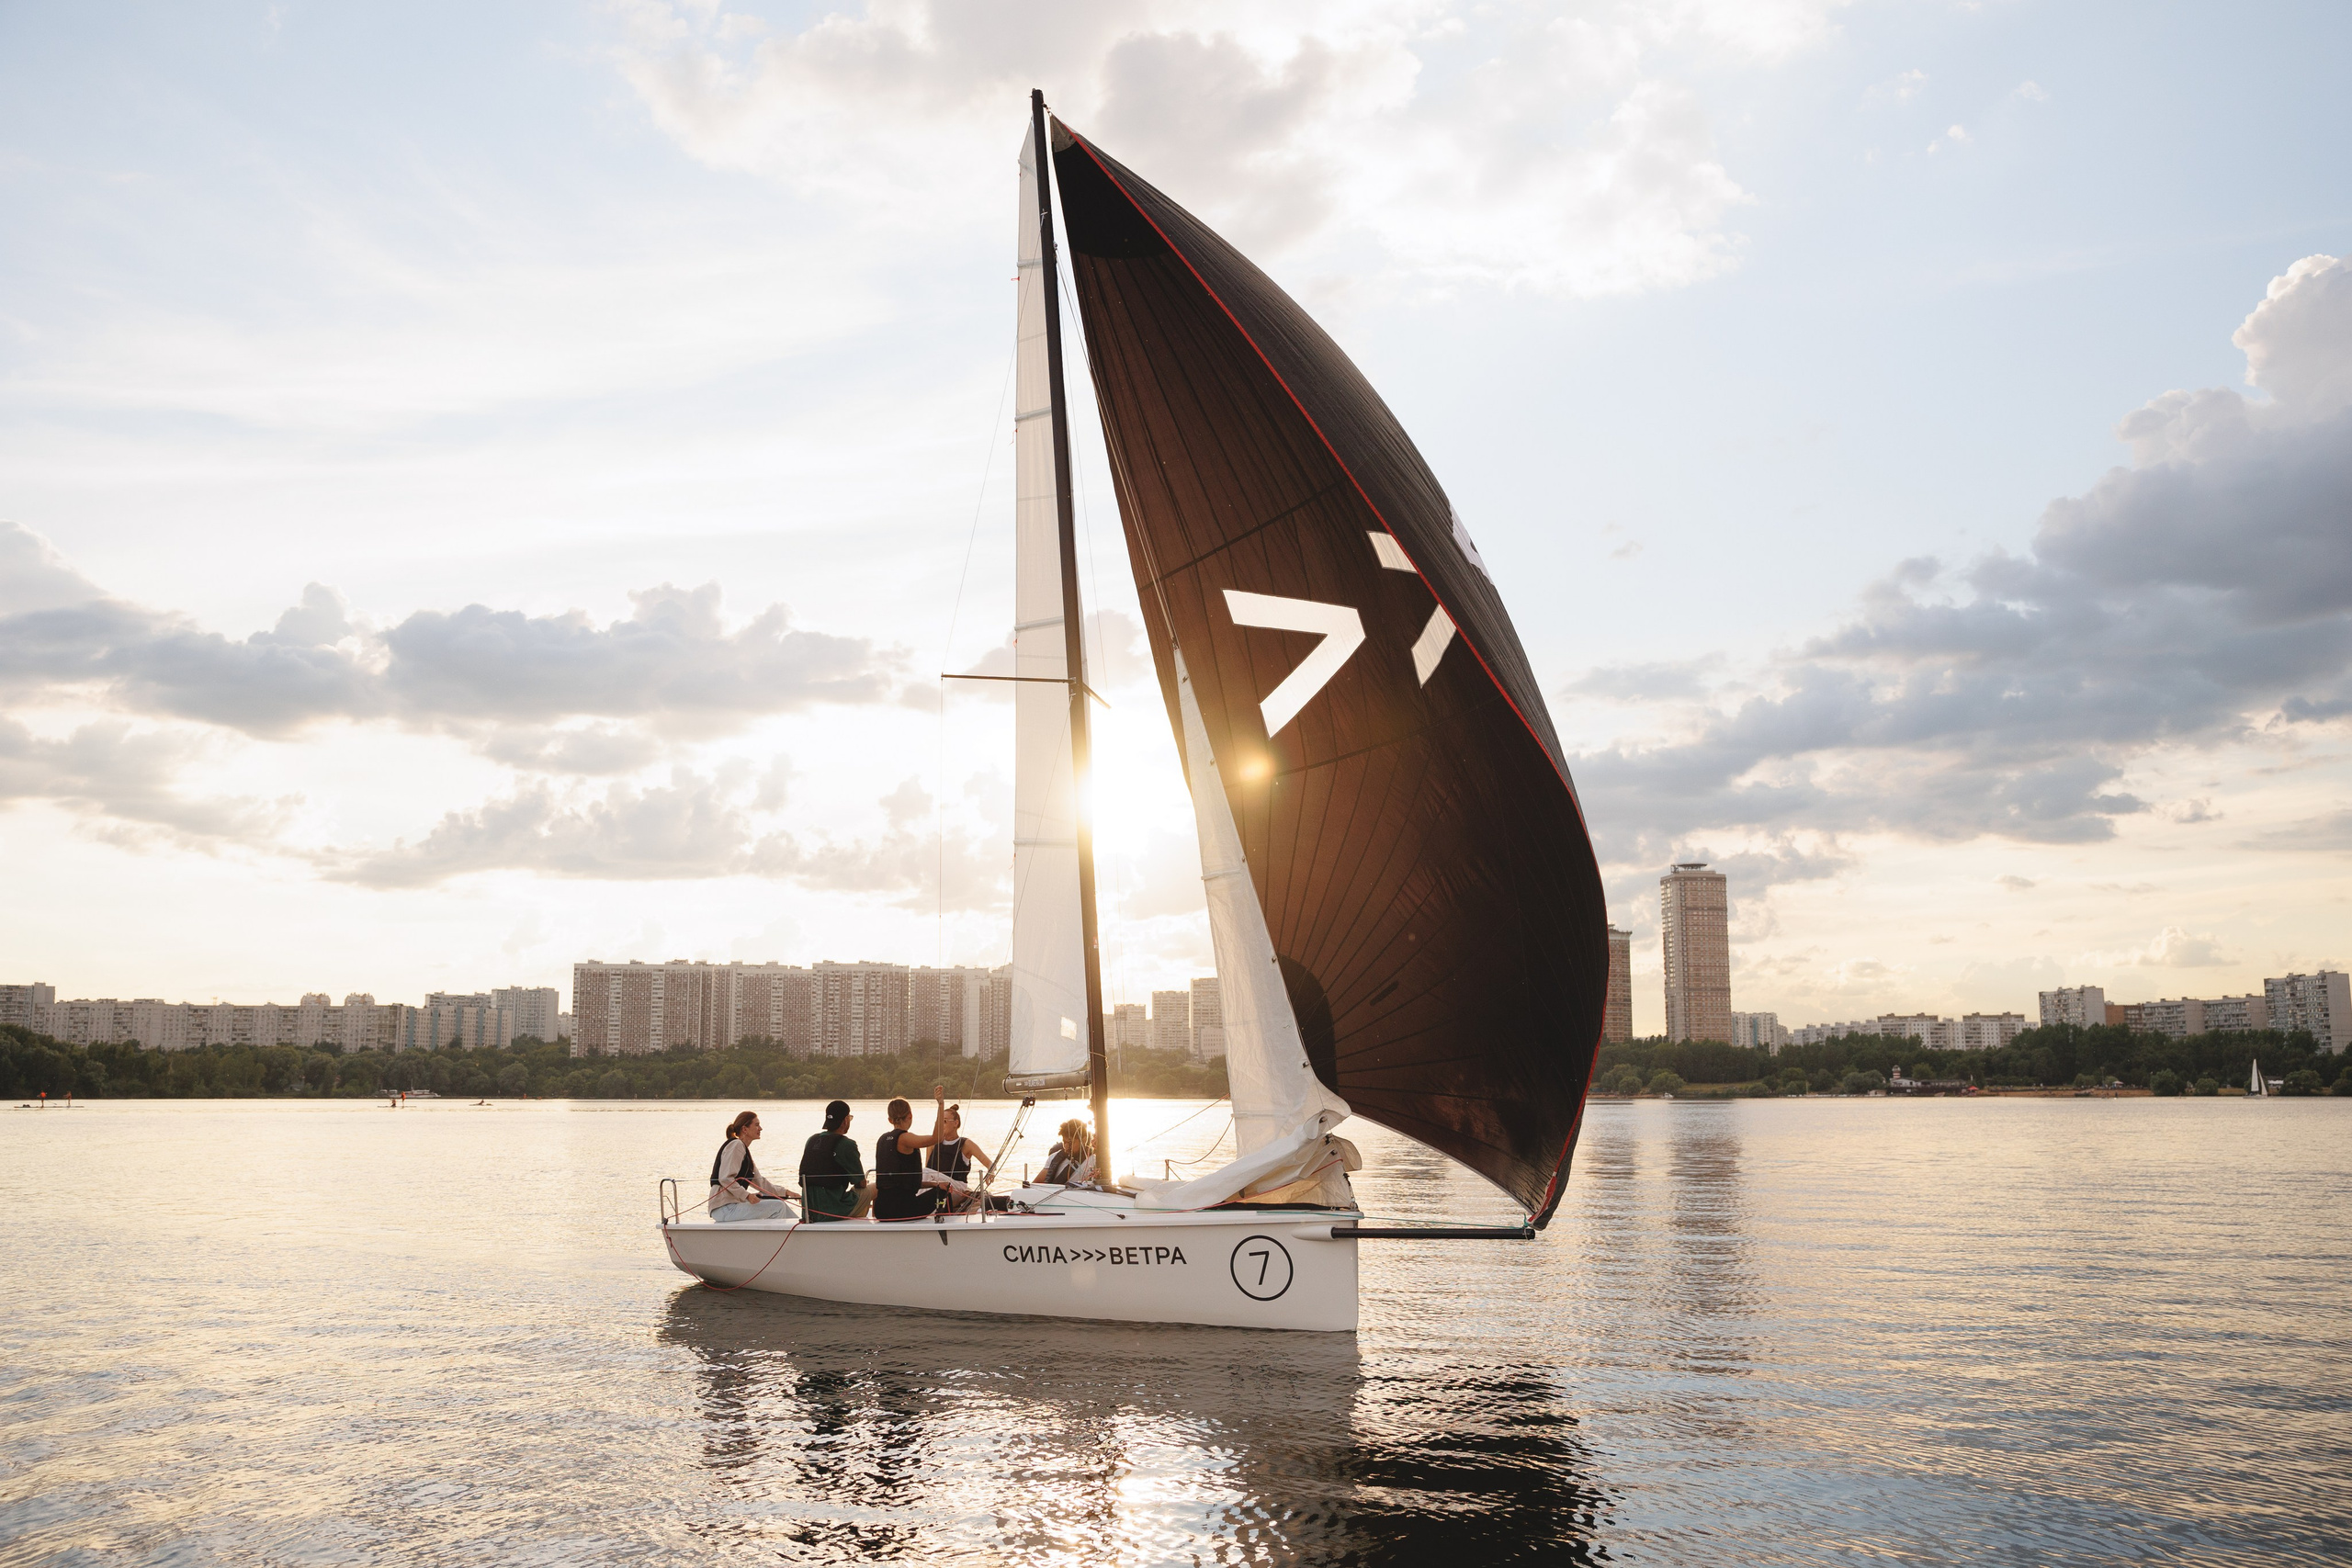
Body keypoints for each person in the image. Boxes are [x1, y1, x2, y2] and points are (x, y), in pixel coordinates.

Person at [872, 1085, 954, 1221]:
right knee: (943, 1192)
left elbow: (901, 1182)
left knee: (939, 1187)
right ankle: (946, 1225)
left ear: (890, 1120)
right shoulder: (905, 1139)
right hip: (902, 1209)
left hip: (881, 1210)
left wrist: (935, 1184)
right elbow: (937, 1138)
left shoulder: (882, 1139)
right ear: (910, 1116)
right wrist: (941, 1104)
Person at [709, 1111, 798, 1222]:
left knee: (781, 1204)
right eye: (756, 1125)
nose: (760, 1128)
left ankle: (802, 1230)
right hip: (723, 1208)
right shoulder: (736, 1145)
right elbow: (725, 1178)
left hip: (733, 1205)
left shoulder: (745, 1154)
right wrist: (747, 1196)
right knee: (777, 1207)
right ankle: (786, 1236)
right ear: (744, 1129)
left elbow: (761, 1183)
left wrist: (787, 1193)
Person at [799, 1100, 873, 1221]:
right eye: (849, 1118)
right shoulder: (846, 1144)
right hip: (833, 1210)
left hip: (809, 1212)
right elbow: (861, 1183)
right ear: (845, 1121)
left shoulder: (811, 1140)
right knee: (874, 1188)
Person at [926, 1103, 1005, 1213]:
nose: (941, 1125)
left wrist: (990, 1172)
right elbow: (928, 1169)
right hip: (937, 1186)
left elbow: (990, 1164)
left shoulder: (965, 1144)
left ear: (955, 1123)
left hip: (957, 1188)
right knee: (923, 1175)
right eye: (938, 1122)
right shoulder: (932, 1143)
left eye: (944, 1121)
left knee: (925, 1173)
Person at [1039, 1118, 1096, 1187]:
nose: (1066, 1146)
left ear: (1083, 1140)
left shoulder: (1094, 1161)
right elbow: (1036, 1184)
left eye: (1070, 1143)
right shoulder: (1053, 1157)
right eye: (1064, 1142)